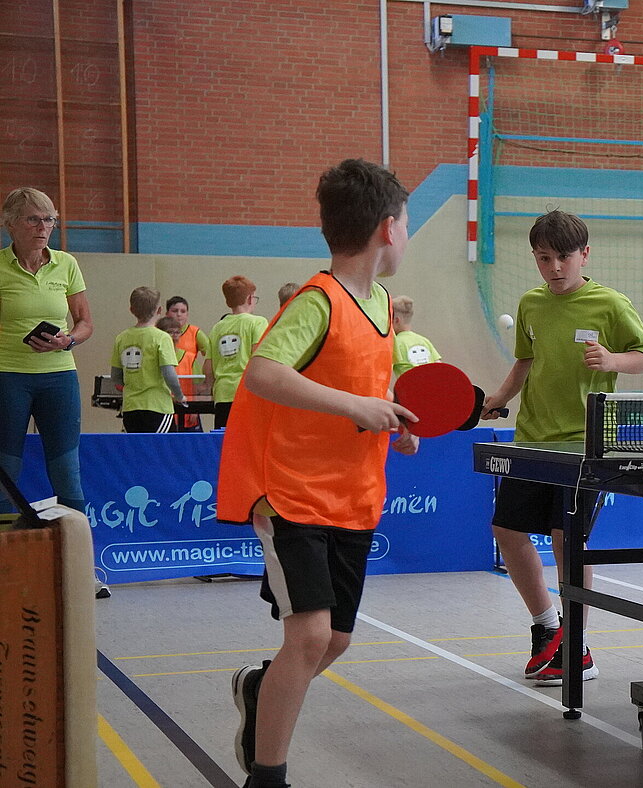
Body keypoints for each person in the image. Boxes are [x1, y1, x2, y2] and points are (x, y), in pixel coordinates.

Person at [217, 159, 419, 788]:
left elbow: (363, 384)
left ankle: (260, 689)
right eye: (407, 223)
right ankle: (268, 777)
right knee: (308, 637)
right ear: (387, 229)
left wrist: (392, 418)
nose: (406, 234)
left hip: (355, 496)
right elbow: (264, 373)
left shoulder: (380, 305)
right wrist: (356, 407)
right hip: (292, 494)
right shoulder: (317, 300)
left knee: (333, 641)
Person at [480, 210, 643, 686]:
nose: (555, 267)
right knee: (506, 530)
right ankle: (546, 625)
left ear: (584, 254)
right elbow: (525, 361)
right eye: (544, 258)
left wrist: (613, 359)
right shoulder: (531, 304)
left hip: (584, 442)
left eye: (563, 257)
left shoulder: (610, 304)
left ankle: (577, 646)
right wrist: (499, 398)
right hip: (532, 438)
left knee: (566, 539)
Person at [0, 187, 92, 514]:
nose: (43, 227)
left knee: (66, 469)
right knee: (6, 468)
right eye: (33, 220)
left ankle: (74, 542)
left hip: (59, 376)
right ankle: (7, 542)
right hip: (9, 376)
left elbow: (85, 322)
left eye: (49, 219)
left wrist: (69, 340)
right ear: (10, 224)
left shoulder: (66, 263)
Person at [110, 287, 185, 433]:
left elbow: (116, 376)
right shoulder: (162, 338)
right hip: (158, 407)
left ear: (131, 310)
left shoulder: (121, 338)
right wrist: (179, 395)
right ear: (159, 310)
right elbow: (169, 373)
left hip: (130, 408)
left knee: (136, 447)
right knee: (162, 447)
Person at [208, 277, 269, 429]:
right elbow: (259, 359)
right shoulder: (258, 322)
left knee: (224, 438)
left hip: (222, 395)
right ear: (250, 298)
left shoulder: (217, 328)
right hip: (246, 394)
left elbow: (208, 368)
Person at [165, 296, 213, 431]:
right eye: (175, 311)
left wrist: (195, 407)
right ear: (167, 313)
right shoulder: (158, 333)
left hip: (187, 394)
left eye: (183, 311)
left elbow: (211, 354)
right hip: (165, 398)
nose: (179, 314)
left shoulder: (194, 334)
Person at [390, 295, 441, 376]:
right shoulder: (424, 340)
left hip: (408, 384)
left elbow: (384, 371)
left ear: (396, 320)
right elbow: (439, 367)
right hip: (431, 382)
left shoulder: (393, 343)